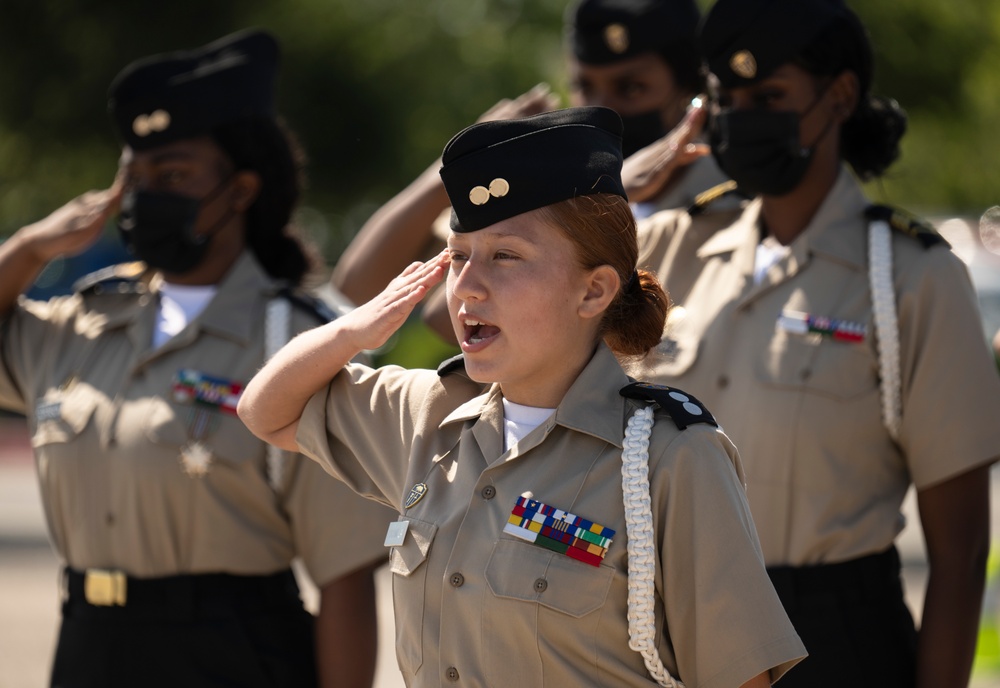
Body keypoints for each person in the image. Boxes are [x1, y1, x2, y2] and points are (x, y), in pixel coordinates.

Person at [238, 106, 806, 687]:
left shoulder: (669, 456)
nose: (467, 287)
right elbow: (265, 411)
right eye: (459, 257)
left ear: (594, 290)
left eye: (505, 256)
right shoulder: (429, 417)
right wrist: (351, 332)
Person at [0, 29, 391, 688]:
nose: (149, 195)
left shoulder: (292, 341)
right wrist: (32, 248)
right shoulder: (83, 321)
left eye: (174, 175)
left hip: (235, 651)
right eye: (139, 177)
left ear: (240, 190)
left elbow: (344, 579)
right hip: (88, 646)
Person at [632, 1, 1000, 686]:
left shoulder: (912, 276)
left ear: (839, 96)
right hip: (673, 632)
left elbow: (960, 550)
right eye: (728, 99)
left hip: (832, 641)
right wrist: (615, 193)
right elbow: (472, 322)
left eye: (769, 97)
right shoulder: (672, 249)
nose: (744, 118)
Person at [330, 0, 721, 313]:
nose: (603, 108)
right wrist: (457, 169)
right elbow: (358, 294)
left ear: (691, 91)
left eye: (632, 88)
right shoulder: (546, 189)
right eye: (584, 87)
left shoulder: (726, 201)